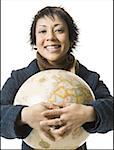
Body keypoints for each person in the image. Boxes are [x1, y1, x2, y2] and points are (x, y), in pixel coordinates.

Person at [1, 6, 113, 150]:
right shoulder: (19, 78)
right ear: (34, 40)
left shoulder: (87, 78)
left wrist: (89, 113)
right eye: (42, 31)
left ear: (71, 38)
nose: (50, 37)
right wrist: (24, 115)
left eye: (59, 30)